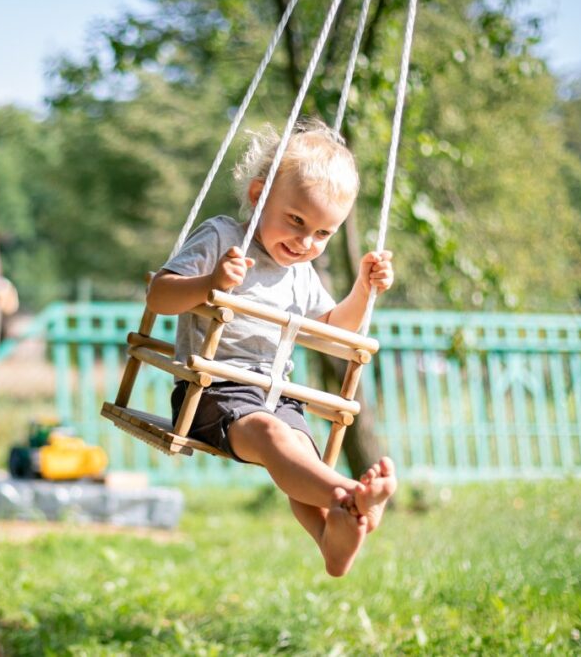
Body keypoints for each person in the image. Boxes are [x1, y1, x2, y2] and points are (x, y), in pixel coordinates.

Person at [146, 118, 397, 576]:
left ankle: (333, 537)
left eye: (322, 234)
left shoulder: (300, 273)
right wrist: (211, 282)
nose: (304, 243)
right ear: (260, 194)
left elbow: (332, 334)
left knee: (298, 454)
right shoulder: (223, 238)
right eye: (296, 221)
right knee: (275, 438)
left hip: (273, 392)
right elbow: (160, 295)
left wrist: (363, 289)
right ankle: (348, 496)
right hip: (212, 389)